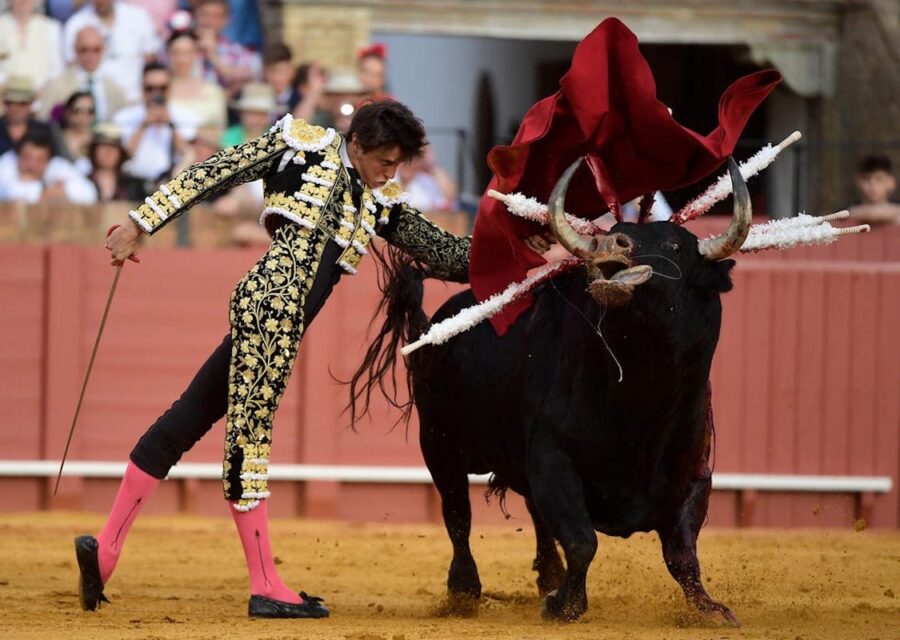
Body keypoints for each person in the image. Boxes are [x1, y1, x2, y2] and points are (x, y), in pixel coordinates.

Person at [77, 100, 470, 619]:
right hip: (272, 312)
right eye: (384, 163)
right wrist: (139, 223)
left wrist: (528, 251)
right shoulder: (300, 145)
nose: (388, 174)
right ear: (357, 145)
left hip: (271, 314)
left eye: (396, 166)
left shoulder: (378, 201)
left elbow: (445, 252)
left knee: (186, 418)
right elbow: (214, 172)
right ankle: (265, 584)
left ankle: (103, 553)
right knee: (249, 441)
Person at [112, 62, 198, 184]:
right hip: (135, 183)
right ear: (142, 88)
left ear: (170, 87)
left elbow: (188, 155)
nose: (156, 94)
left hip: (172, 184)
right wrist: (143, 125)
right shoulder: (124, 117)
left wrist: (171, 124)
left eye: (162, 88)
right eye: (150, 88)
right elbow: (123, 157)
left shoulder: (186, 116)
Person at [63, 0, 161, 102]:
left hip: (136, 97)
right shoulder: (75, 23)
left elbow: (151, 57)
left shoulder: (138, 16)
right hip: (98, 100)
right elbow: (71, 65)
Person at [39, 25, 130, 123]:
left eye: (96, 50)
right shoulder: (56, 85)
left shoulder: (115, 89)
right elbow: (44, 120)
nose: (90, 55)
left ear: (104, 50)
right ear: (75, 50)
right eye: (84, 50)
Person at [0, 128, 97, 204]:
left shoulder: (57, 166)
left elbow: (90, 194)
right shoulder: (6, 163)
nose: (32, 164)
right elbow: (10, 195)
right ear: (18, 155)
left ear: (48, 161)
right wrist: (44, 193)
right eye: (27, 157)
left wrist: (65, 191)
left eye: (39, 160)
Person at [193, 0, 261, 99]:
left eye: (216, 16)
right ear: (196, 16)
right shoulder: (178, 45)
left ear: (226, 20)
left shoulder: (239, 52)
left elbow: (248, 75)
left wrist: (213, 55)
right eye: (205, 15)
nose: (209, 21)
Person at [166, 30, 228, 129]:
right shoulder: (156, 89)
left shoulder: (213, 91)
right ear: (168, 54)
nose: (182, 59)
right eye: (176, 52)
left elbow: (220, 129)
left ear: (196, 54)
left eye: (187, 52)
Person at [0, 0, 64, 92]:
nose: (23, 1)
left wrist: (40, 87)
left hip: (41, 93)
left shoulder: (52, 27)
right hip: (4, 93)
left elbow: (57, 67)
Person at [0, 75, 60, 156]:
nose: (16, 108)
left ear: (31, 104)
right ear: (5, 103)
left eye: (23, 103)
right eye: (11, 102)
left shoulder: (44, 131)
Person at [87, 123, 147, 201]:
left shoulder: (134, 186)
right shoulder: (81, 182)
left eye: (113, 148)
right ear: (94, 151)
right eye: (103, 147)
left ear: (120, 154)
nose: (108, 152)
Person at [397, 144, 458, 212]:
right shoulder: (387, 177)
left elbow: (450, 198)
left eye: (416, 158)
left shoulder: (425, 182)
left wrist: (432, 165)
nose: (410, 163)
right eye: (406, 157)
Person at [848, 153, 900, 225]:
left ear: (891, 182)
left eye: (879, 179)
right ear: (858, 181)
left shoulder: (849, 214)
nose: (872, 185)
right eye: (866, 178)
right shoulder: (845, 214)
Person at [222, 81, 275, 147]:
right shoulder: (230, 136)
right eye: (252, 114)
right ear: (242, 114)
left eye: (262, 114)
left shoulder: (274, 137)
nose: (256, 120)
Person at [57, 91, 96, 174]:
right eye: (78, 111)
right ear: (67, 112)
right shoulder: (55, 137)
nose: (84, 116)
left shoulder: (98, 141)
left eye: (90, 111)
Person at [262, 42, 298, 115]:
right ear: (264, 71)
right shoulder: (256, 98)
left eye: (282, 71)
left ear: (292, 71)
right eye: (272, 71)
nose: (277, 78)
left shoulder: (299, 100)